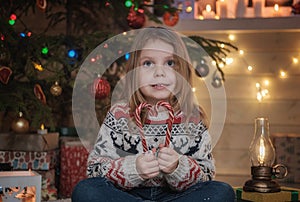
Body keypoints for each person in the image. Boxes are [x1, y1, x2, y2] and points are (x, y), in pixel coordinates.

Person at [72, 27, 235, 202]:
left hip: (176, 197)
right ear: (134, 71)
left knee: (222, 192)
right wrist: (133, 169)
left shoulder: (192, 117)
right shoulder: (119, 114)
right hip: (127, 196)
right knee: (85, 190)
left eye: (170, 63)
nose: (159, 72)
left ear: (182, 71)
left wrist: (177, 168)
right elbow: (95, 169)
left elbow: (206, 174)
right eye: (148, 63)